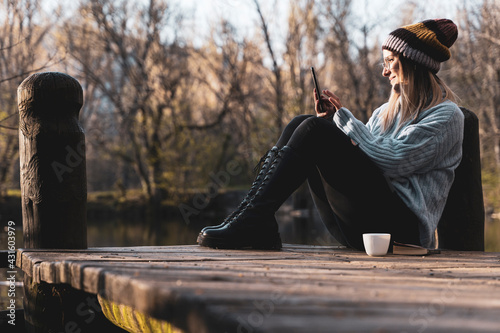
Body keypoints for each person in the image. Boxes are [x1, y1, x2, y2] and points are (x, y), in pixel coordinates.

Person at [197, 18, 464, 251]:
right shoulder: (385, 111)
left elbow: (393, 161)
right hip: (361, 228)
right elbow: (363, 155)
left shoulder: (447, 116)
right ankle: (254, 218)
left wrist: (342, 122)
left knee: (316, 129)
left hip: (402, 234)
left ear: (412, 61)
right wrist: (335, 128)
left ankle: (253, 220)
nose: (384, 71)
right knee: (302, 122)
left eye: (390, 61)